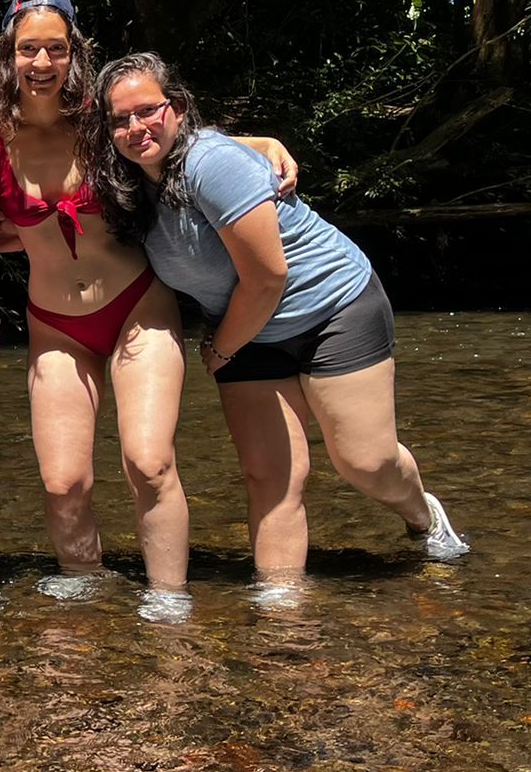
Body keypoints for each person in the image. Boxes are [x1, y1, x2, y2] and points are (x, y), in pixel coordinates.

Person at [0, 0, 296, 618]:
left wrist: (259, 145)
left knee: (148, 462)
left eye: (56, 49)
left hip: (137, 305)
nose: (41, 62)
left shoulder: (98, 121)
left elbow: (175, 137)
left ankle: (169, 597)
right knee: (64, 482)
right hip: (54, 324)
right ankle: (87, 602)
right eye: (28, 49)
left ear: (74, 55)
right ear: (7, 56)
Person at [90, 51, 468, 583]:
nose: (135, 127)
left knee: (364, 461)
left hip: (332, 307)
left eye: (147, 111)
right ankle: (281, 605)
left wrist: (220, 350)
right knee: (270, 476)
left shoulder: (209, 164)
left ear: (175, 108)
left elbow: (269, 277)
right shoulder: (128, 182)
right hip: (245, 328)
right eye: (119, 119)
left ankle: (421, 515)